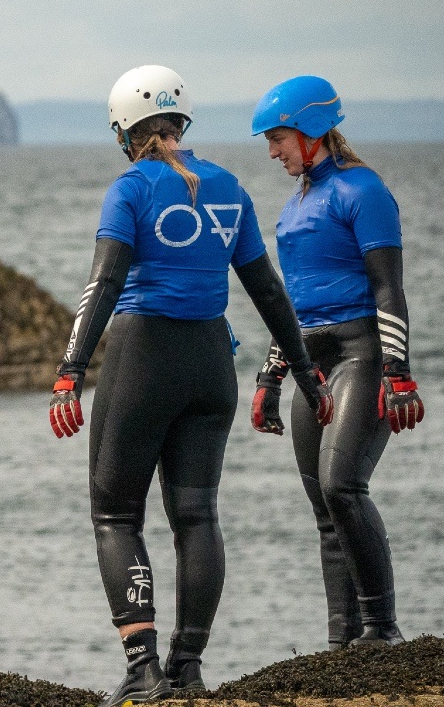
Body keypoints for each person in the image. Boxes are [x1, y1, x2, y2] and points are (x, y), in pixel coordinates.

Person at [47, 65, 333, 707]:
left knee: (117, 514)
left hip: (144, 356)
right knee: (197, 512)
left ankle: (144, 671)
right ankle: (190, 666)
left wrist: (70, 371)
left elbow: (105, 283)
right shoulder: (229, 187)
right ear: (182, 122)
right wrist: (309, 377)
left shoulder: (131, 188)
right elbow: (267, 291)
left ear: (125, 130)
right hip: (210, 364)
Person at [249, 75, 424, 649]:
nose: (273, 152)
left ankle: (382, 629)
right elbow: (295, 309)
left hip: (361, 354)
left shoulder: (362, 190)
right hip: (312, 363)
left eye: (278, 139)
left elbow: (388, 290)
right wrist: (270, 379)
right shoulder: (293, 207)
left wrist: (398, 375)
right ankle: (341, 643)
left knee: (343, 485)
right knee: (326, 509)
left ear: (310, 131)